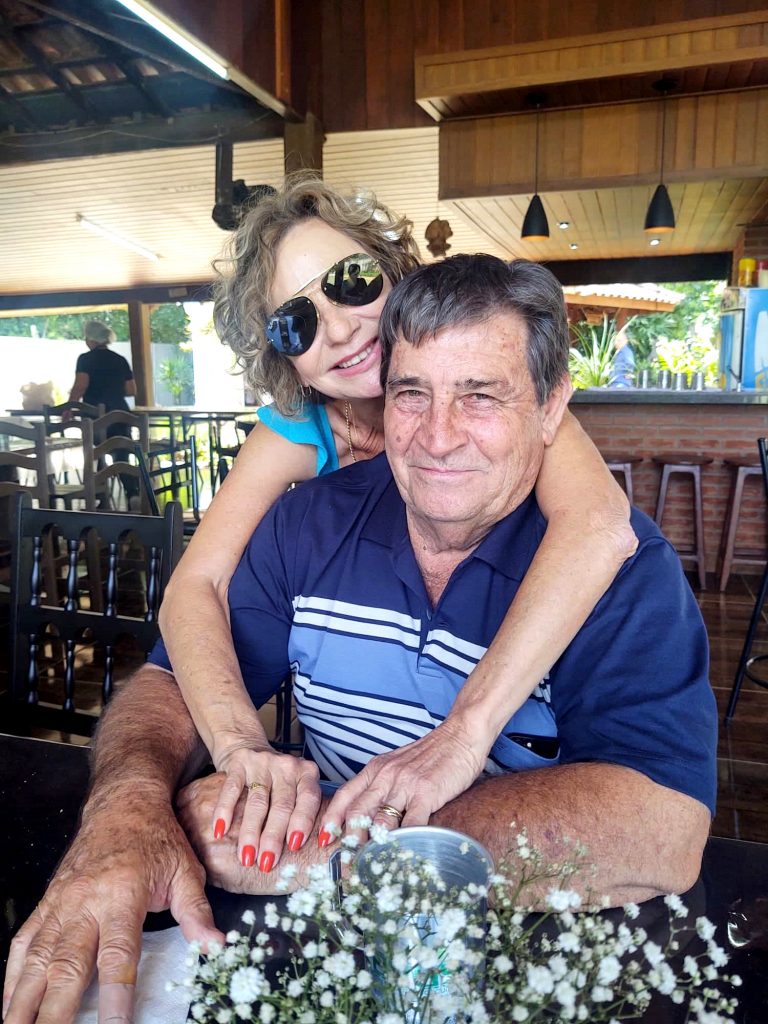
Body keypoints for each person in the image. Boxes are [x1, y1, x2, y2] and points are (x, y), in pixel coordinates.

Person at [3, 255, 715, 1024]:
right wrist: (127, 810)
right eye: (412, 394)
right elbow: (174, 678)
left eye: (480, 396)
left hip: (523, 965)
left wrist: (333, 850)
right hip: (314, 955)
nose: (438, 437)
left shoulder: (618, 566)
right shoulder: (307, 522)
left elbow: (663, 828)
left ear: (551, 408)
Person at [157, 174, 637, 869]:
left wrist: (463, 735)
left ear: (397, 276)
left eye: (351, 282)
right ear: (285, 359)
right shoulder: (299, 430)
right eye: (296, 322)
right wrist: (239, 749)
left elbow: (600, 525)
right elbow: (193, 585)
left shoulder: (510, 406)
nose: (339, 328)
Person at [65, 319, 140, 504]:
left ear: (91, 339)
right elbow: (131, 390)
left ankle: (99, 494)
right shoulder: (119, 359)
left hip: (95, 416)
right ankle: (132, 493)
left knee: (95, 452)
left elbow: (81, 385)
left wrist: (69, 407)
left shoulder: (85, 359)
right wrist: (112, 389)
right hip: (120, 414)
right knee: (120, 453)